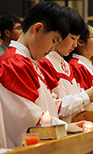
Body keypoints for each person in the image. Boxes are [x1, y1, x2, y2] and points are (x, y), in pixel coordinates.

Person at [0, 2, 84, 148]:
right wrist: (65, 127)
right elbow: (29, 116)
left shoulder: (31, 62)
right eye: (53, 41)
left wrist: (67, 126)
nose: (52, 49)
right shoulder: (14, 62)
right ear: (37, 29)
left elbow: (49, 104)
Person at [38, 7, 93, 123]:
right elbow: (54, 108)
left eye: (77, 39)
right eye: (73, 38)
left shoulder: (67, 66)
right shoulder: (45, 62)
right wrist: (86, 96)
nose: (75, 44)